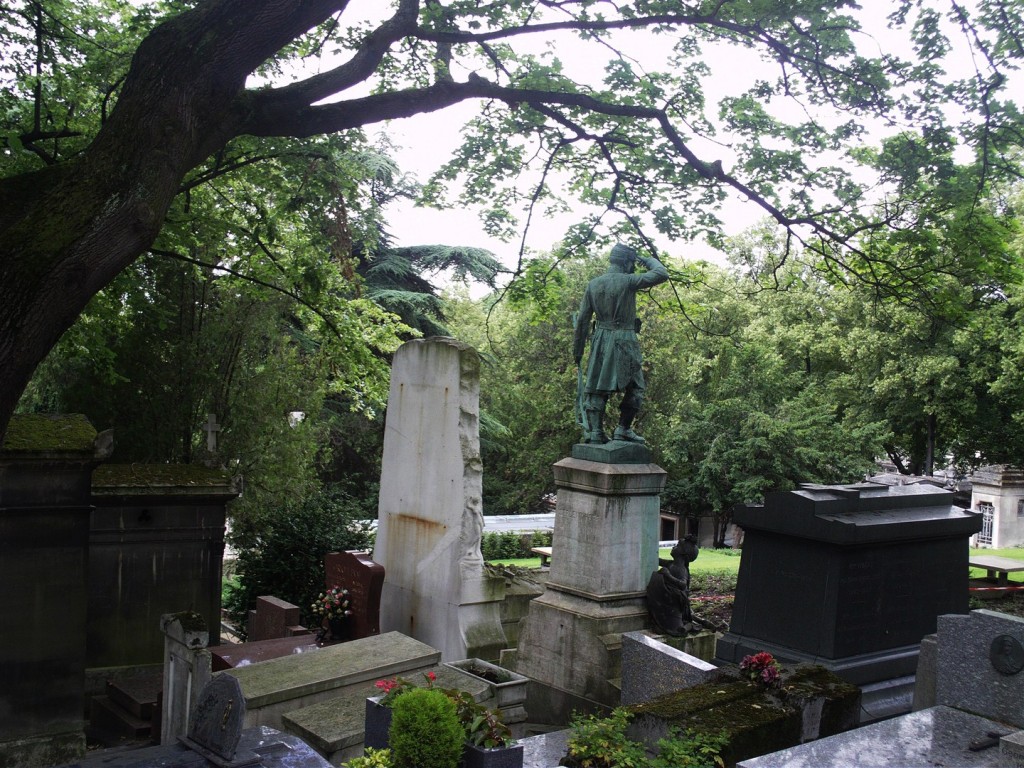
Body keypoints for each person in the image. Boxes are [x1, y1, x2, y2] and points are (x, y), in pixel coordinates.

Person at [573, 243, 668, 444]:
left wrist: (578, 350)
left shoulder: (593, 284)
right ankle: (623, 429)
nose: (633, 267)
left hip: (600, 340)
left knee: (597, 386)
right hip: (624, 340)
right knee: (635, 387)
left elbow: (582, 320)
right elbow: (661, 273)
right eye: (632, 262)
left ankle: (597, 432)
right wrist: (645, 258)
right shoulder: (629, 281)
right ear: (626, 262)